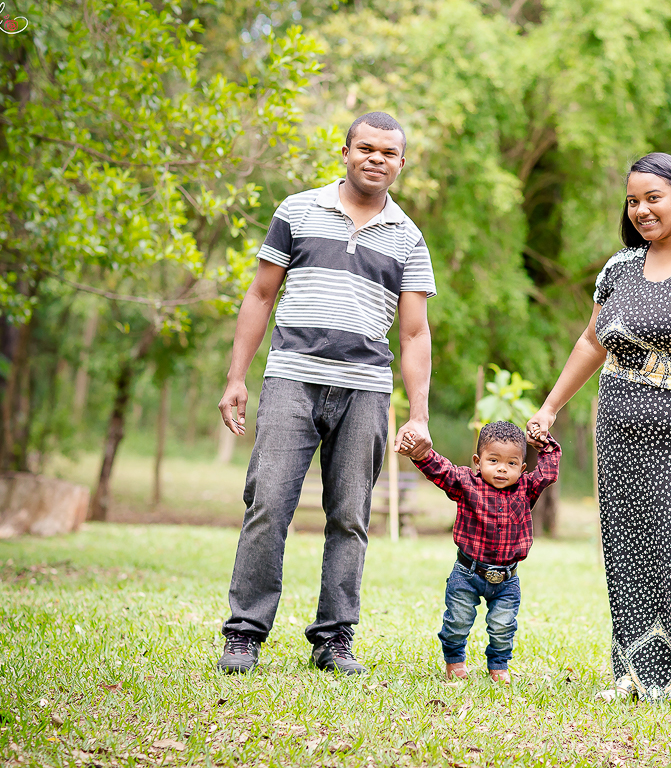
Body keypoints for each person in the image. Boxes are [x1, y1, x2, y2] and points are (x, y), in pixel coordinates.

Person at [525, 152, 671, 707]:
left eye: (653, 198)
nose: (642, 210)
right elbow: (592, 342)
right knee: (629, 548)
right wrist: (550, 407)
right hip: (621, 431)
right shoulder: (619, 268)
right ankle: (639, 676)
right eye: (633, 201)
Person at [215, 111, 436, 676]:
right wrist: (237, 377)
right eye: (366, 148)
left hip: (366, 391)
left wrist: (419, 414)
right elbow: (260, 296)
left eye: (388, 153)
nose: (376, 159)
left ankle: (334, 639)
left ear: (401, 163)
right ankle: (244, 633)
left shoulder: (409, 238)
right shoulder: (297, 210)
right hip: (292, 378)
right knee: (268, 504)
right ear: (345, 152)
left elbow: (414, 333)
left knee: (351, 516)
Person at [398, 421, 560, 684]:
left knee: (503, 627)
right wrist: (420, 453)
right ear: (478, 461)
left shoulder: (526, 488)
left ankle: (498, 665)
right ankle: (455, 660)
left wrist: (545, 444)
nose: (502, 468)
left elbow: (548, 473)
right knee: (457, 622)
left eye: (511, 463)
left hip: (507, 579)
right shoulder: (466, 484)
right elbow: (441, 470)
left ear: (522, 468)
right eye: (493, 460)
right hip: (467, 573)